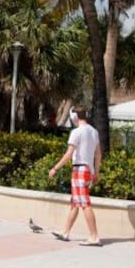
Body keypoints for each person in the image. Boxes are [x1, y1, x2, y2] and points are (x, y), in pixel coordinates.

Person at [48, 105, 102, 246]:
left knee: (84, 203)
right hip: (88, 170)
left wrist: (55, 168)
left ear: (74, 117)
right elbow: (98, 154)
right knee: (75, 203)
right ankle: (65, 232)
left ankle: (94, 236)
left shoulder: (77, 132)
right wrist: (96, 172)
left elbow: (68, 154)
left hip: (79, 170)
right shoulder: (94, 131)